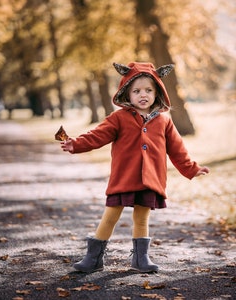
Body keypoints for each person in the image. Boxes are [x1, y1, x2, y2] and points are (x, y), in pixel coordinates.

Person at [61, 62, 209, 273]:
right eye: (137, 91)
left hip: (150, 179)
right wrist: (76, 144)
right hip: (125, 177)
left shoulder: (164, 121)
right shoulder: (118, 118)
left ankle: (141, 259)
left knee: (141, 217)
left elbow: (177, 149)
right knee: (111, 215)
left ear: (156, 93)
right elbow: (97, 136)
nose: (143, 95)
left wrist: (192, 168)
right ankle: (93, 258)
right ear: (126, 94)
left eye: (148, 90)